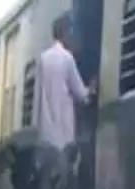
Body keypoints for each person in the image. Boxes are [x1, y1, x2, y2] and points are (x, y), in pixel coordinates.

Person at [35, 15, 96, 151]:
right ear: (65, 33)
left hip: (45, 137)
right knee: (63, 170)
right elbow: (81, 95)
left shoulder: (43, 59)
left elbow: (38, 98)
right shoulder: (67, 58)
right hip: (63, 137)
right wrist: (92, 88)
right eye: (71, 31)